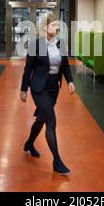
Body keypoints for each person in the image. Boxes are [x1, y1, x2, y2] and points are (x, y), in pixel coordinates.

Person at [20, 13, 75, 175]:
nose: (56, 28)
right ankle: (56, 161)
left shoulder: (61, 44)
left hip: (53, 89)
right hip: (39, 88)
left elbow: (65, 66)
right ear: (44, 27)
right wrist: (23, 90)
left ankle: (29, 143)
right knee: (51, 121)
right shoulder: (35, 45)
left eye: (58, 25)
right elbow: (28, 69)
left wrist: (70, 81)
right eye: (53, 25)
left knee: (42, 118)